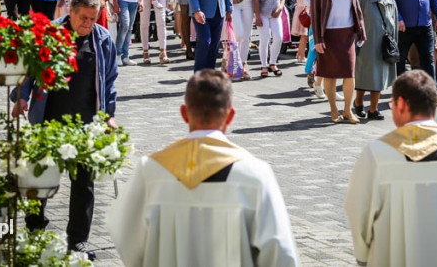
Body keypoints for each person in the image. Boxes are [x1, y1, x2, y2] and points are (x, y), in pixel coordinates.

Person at [108, 69, 299, 267]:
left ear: (184, 113)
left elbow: (126, 235)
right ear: (230, 115)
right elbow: (279, 251)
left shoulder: (151, 171)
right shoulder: (254, 175)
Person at [13, 0, 118, 259]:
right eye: (83, 18)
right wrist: (21, 98)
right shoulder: (50, 35)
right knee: (41, 176)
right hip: (49, 119)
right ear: (70, 11)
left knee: (84, 182)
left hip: (85, 124)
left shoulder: (102, 39)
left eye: (93, 19)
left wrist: (109, 115)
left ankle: (78, 239)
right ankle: (35, 228)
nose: (88, 23)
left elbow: (109, 81)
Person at [344, 70, 437, 267]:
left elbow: (359, 213)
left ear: (401, 104)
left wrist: (363, 257)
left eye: (391, 104)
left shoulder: (377, 154)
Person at [310, 0, 367, 122]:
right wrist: (318, 39)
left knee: (350, 74)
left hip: (347, 33)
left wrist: (361, 31)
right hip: (328, 34)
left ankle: (348, 110)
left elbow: (356, 8)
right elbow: (315, 14)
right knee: (330, 74)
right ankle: (334, 110)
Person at [354, 0, 398, 120]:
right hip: (366, 44)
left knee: (379, 77)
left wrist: (394, 45)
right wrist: (355, 44)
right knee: (364, 75)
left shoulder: (390, 0)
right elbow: (355, 22)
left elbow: (395, 26)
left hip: (383, 45)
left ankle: (373, 109)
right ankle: (358, 102)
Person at [252, 0, 288, 77]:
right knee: (264, 38)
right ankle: (264, 65)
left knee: (279, 37)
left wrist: (280, 8)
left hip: (275, 12)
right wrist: (257, 16)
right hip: (263, 12)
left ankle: (273, 62)